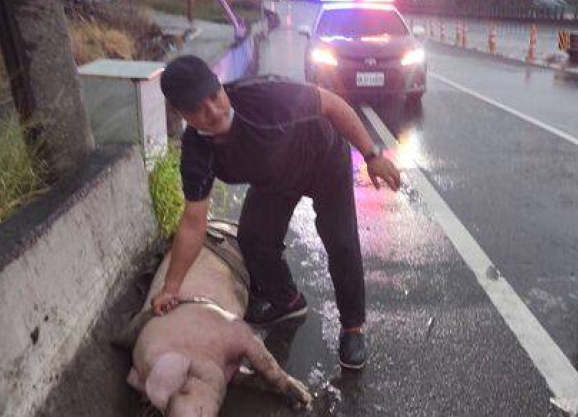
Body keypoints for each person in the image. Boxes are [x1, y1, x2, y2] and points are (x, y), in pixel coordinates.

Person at [150, 55, 402, 370]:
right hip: (274, 178)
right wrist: (171, 287)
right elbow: (192, 222)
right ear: (179, 113)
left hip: (322, 160)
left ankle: (352, 327)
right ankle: (288, 301)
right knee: (254, 239)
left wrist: (371, 153)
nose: (213, 111)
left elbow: (334, 105)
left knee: (340, 240)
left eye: (214, 97)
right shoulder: (197, 153)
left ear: (220, 86)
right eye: (197, 109)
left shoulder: (264, 95)